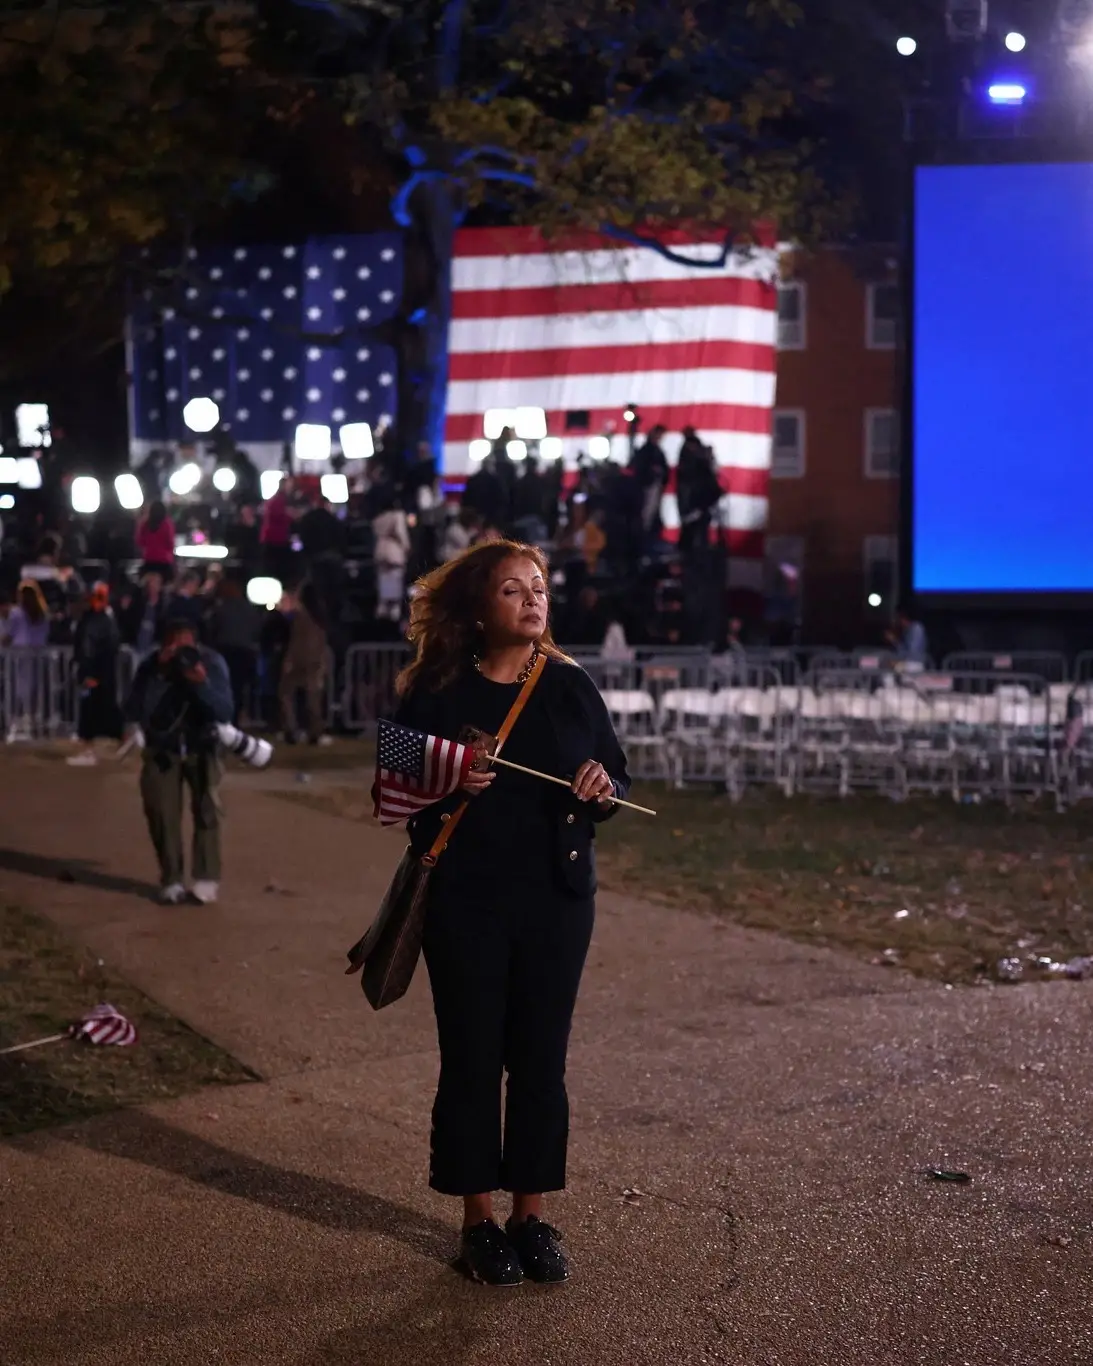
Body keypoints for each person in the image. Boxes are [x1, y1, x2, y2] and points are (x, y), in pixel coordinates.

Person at [391, 540, 630, 1286]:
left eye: (538, 587)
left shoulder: (568, 686)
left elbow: (615, 773)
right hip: (467, 901)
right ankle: (478, 1222)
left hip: (556, 902)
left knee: (538, 1062)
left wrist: (600, 784)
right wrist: (453, 784)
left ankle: (531, 1215)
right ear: (476, 606)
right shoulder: (434, 690)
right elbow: (400, 788)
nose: (531, 599)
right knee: (470, 1060)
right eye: (510, 589)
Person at [123, 619, 233, 904]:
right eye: (174, 642)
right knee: (161, 812)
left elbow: (224, 710)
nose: (180, 650)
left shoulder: (211, 662)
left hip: (203, 746)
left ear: (195, 641)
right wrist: (160, 673)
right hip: (163, 750)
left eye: (185, 642)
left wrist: (201, 684)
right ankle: (171, 878)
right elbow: (135, 708)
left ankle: (206, 880)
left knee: (207, 809)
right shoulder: (151, 666)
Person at [67, 583, 123, 766]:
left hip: (93, 674)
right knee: (106, 709)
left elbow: (87, 649)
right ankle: (123, 737)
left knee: (89, 713)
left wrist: (87, 673)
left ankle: (88, 752)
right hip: (105, 674)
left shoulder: (92, 621)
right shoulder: (107, 619)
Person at [279, 580, 329, 744]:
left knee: (286, 694)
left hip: (301, 661)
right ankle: (314, 732)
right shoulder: (319, 617)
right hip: (315, 661)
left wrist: (289, 660)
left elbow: (297, 641)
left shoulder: (302, 617)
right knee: (313, 698)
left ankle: (291, 731)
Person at [3, 582, 51, 741]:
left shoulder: (17, 613)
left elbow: (9, 635)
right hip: (38, 654)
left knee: (19, 689)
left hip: (20, 655)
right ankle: (35, 722)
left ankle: (18, 722)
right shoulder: (43, 613)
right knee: (36, 688)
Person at [135, 501, 176, 578]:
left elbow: (139, 541)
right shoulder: (167, 523)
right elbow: (170, 543)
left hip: (149, 560)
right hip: (164, 561)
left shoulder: (145, 524)